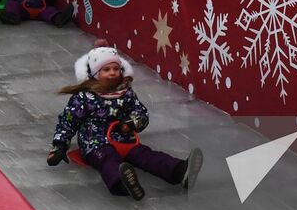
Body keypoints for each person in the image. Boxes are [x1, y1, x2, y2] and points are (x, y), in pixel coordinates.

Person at [47, 47, 201, 200]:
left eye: (116, 69)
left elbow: (140, 111)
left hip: (123, 138)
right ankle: (122, 183)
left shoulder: (125, 93)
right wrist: (60, 145)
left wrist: (132, 123)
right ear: (95, 74)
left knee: (145, 155)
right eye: (106, 69)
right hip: (95, 143)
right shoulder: (84, 97)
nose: (112, 72)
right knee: (107, 159)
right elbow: (68, 121)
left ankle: (179, 171)